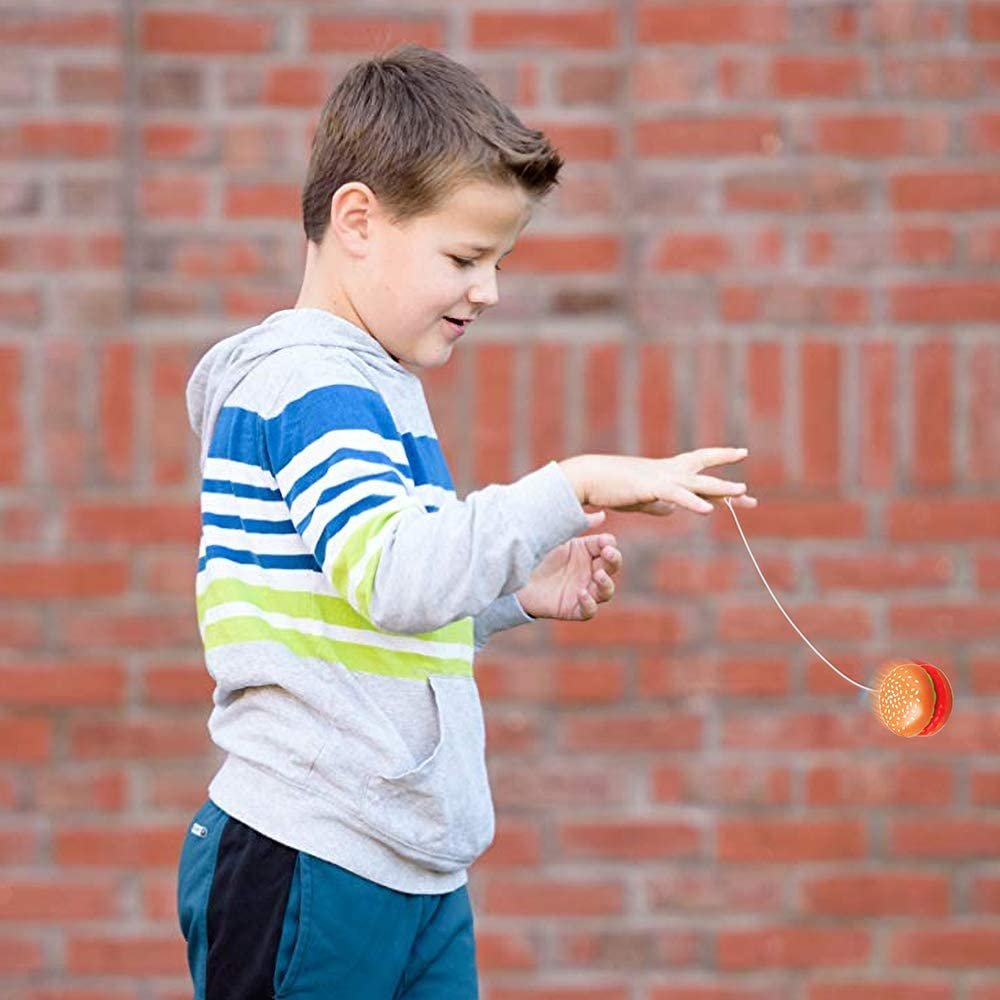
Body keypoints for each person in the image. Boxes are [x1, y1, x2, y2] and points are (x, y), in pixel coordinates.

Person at [176, 43, 757, 1000]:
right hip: (312, 854)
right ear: (357, 219)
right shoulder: (309, 385)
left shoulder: (375, 386)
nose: (487, 289)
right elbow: (397, 578)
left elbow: (364, 598)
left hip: (411, 865)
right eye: (464, 257)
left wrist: (508, 593)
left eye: (500, 260)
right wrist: (567, 482)